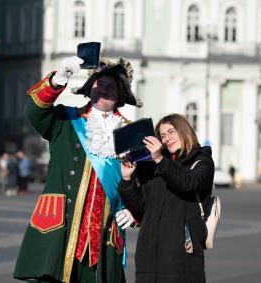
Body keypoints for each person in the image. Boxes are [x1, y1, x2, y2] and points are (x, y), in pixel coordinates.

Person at [14, 55, 142, 282]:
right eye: (98, 84)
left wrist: (135, 211)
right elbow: (34, 113)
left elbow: (147, 183)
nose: (103, 89)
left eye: (111, 86)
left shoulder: (132, 133)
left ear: (121, 95)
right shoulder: (66, 119)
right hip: (60, 228)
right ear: (89, 88)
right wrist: (58, 80)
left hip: (105, 235)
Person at [118, 114, 215, 283]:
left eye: (171, 132)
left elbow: (188, 183)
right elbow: (140, 208)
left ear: (184, 131)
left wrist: (160, 160)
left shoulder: (202, 161)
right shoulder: (155, 167)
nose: (167, 138)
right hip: (149, 258)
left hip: (182, 256)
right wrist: (127, 181)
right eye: (162, 136)